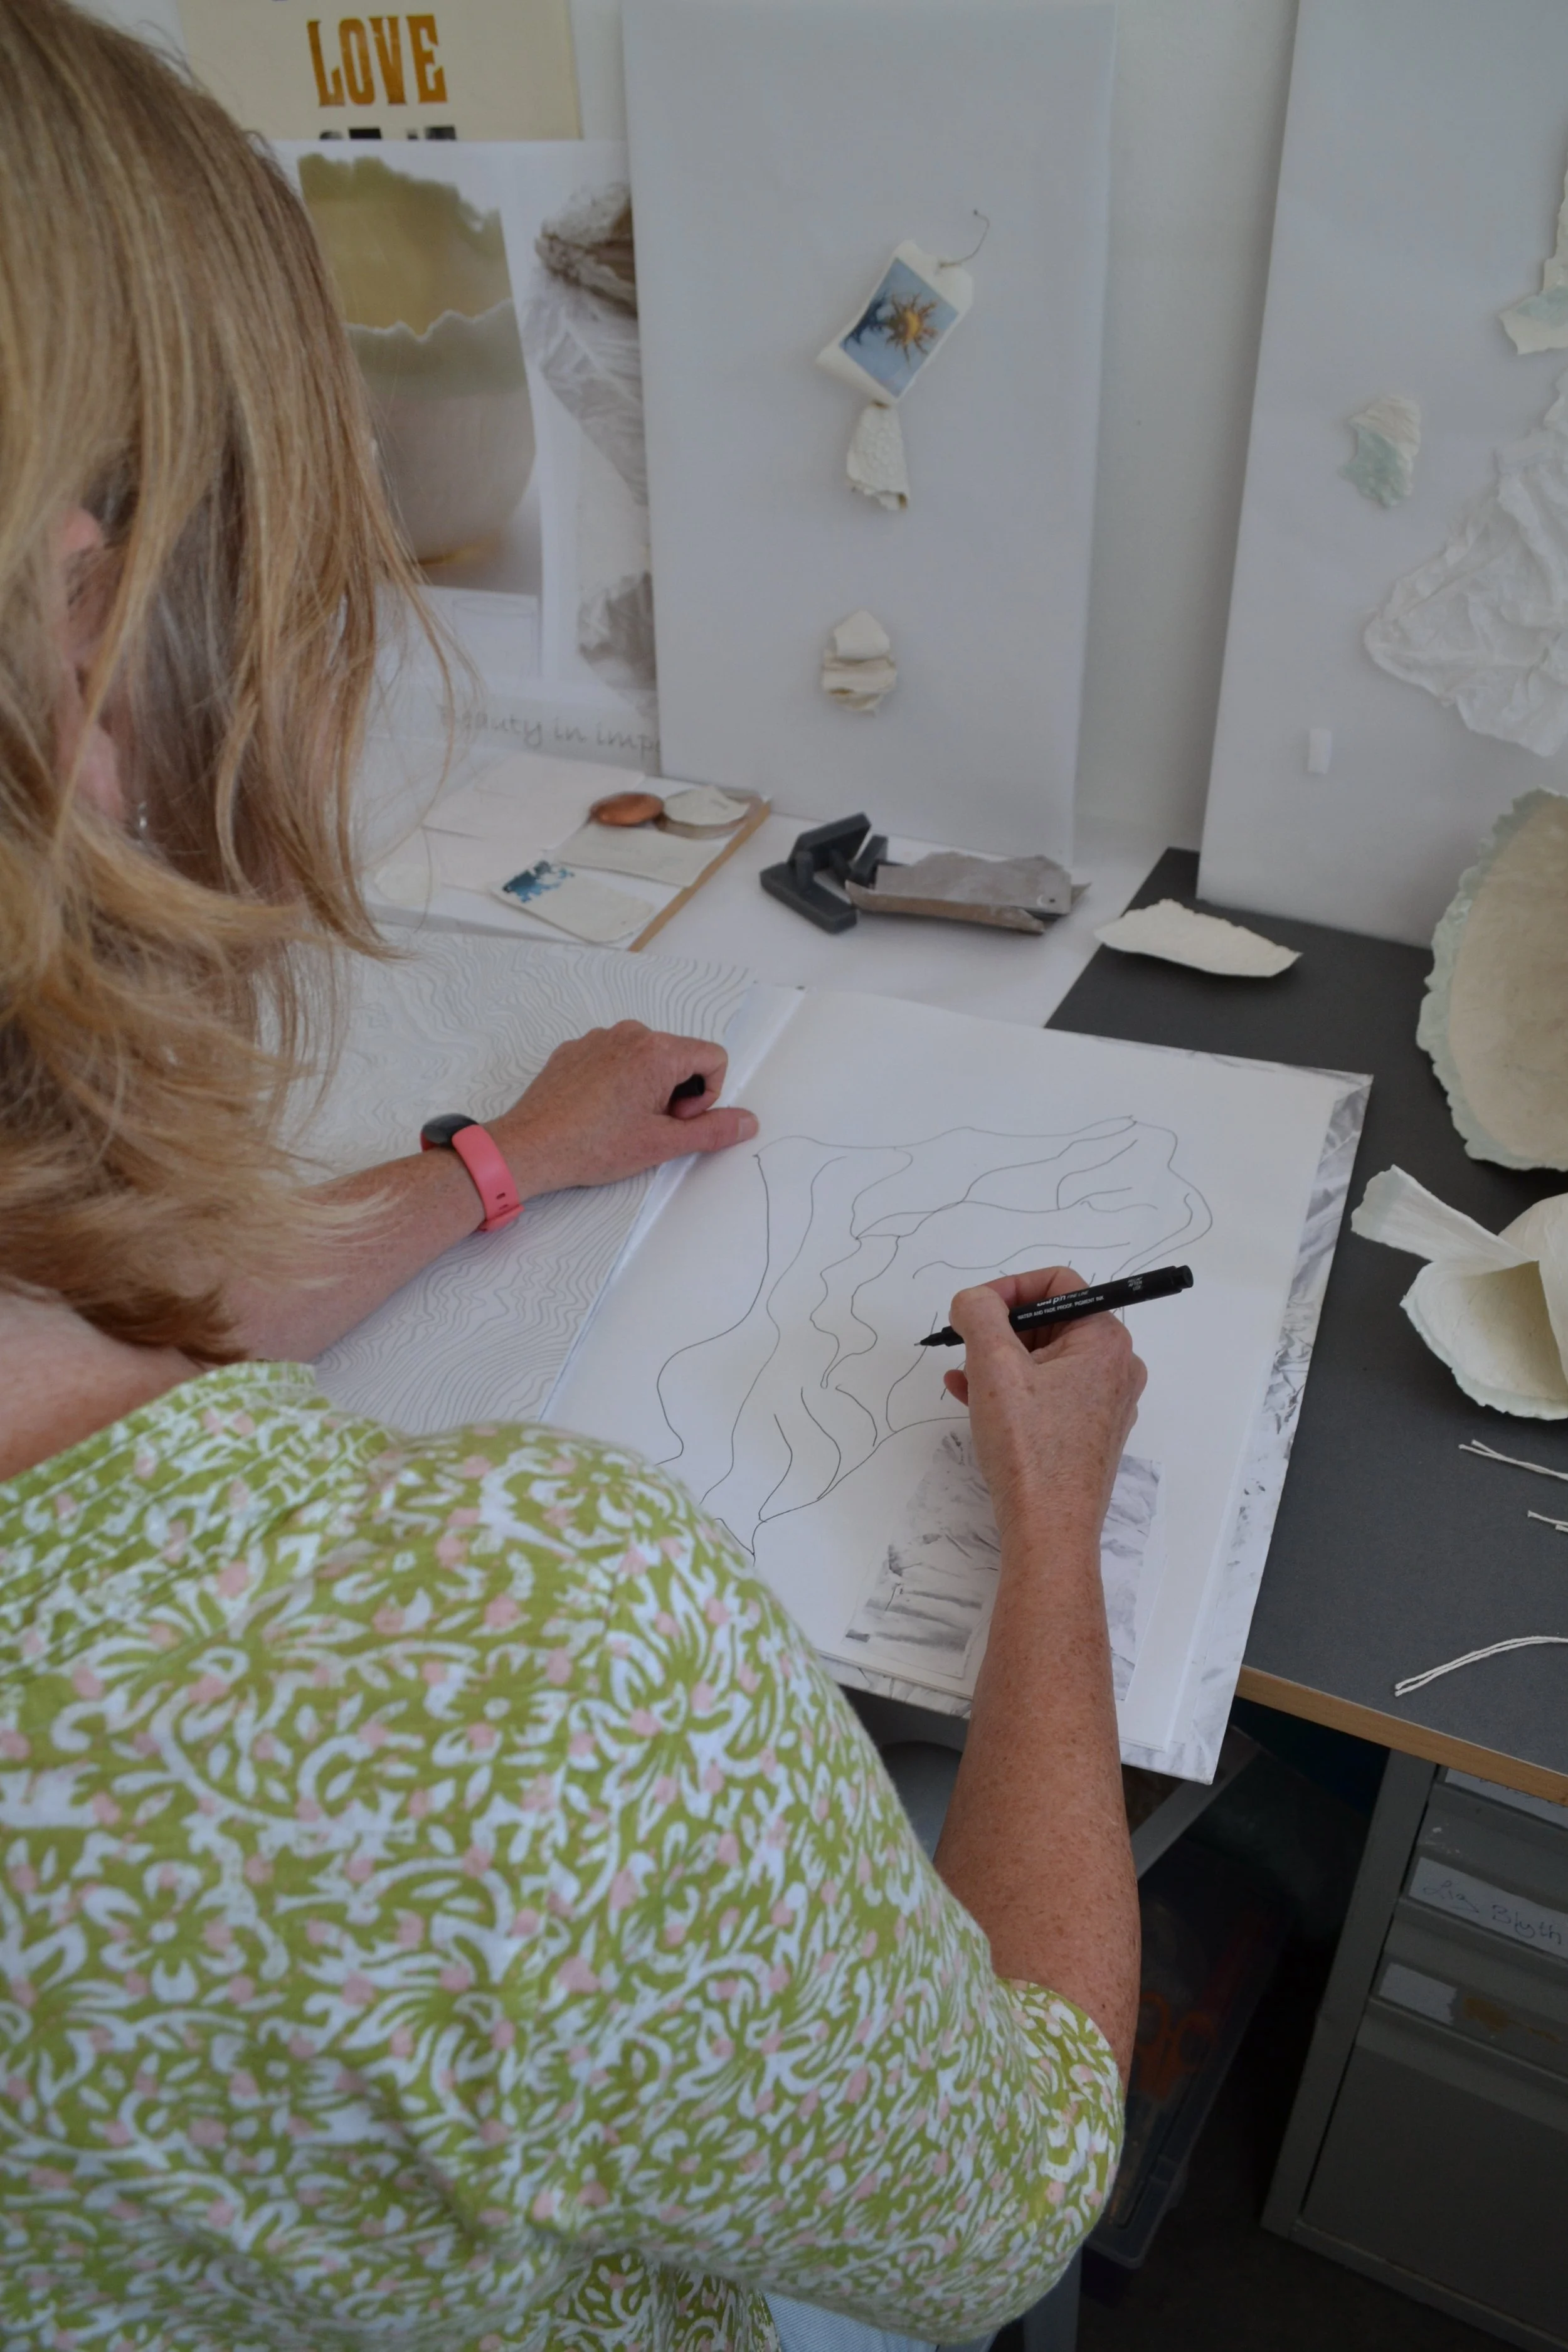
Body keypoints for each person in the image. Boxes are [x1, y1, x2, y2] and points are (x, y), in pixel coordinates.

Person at [0, 7, 1144, 2349]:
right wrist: (1058, 1539)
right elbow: (1013, 2194)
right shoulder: (525, 1701)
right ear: (88, 645)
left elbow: (94, 1319)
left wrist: (496, 1164)